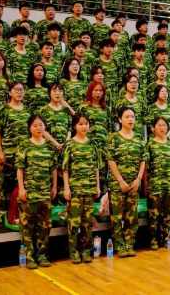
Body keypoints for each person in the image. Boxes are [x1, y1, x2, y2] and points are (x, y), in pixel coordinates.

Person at [16, 115, 58, 269]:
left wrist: (54, 187)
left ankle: (42, 255)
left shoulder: (49, 147)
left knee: (45, 227)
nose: (38, 128)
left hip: (45, 193)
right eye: (35, 126)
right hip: (29, 193)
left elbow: (54, 169)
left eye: (41, 125)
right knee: (27, 227)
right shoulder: (24, 145)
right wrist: (21, 188)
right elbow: (20, 169)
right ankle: (29, 257)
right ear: (29, 128)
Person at [105, 107, 146, 257]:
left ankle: (129, 244)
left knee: (132, 216)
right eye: (127, 117)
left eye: (132, 117)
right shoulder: (114, 138)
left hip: (134, 184)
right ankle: (119, 246)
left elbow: (143, 160)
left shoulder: (139, 138)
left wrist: (138, 179)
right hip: (118, 184)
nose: (130, 119)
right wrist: (120, 180)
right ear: (120, 119)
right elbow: (110, 160)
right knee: (116, 217)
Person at [62, 113, 101, 264]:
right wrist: (66, 188)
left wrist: (97, 186)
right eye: (80, 124)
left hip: (90, 189)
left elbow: (96, 167)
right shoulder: (69, 145)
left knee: (87, 223)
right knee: (74, 223)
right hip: (75, 190)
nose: (84, 127)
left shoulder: (93, 144)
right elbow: (65, 168)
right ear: (74, 126)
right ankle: (74, 252)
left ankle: (86, 252)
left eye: (86, 124)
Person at [0, 81, 31, 223]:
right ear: (9, 92)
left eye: (21, 90)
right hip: (8, 153)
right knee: (2, 185)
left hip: (24, 155)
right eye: (16, 89)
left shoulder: (28, 110)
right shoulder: (3, 109)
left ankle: (17, 214)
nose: (19, 92)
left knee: (22, 186)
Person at [145, 117, 170, 250]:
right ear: (153, 129)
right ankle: (153, 240)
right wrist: (146, 185)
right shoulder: (150, 145)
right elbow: (146, 167)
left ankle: (165, 238)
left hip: (168, 184)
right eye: (159, 125)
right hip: (155, 185)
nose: (162, 128)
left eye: (164, 125)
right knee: (154, 215)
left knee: (168, 215)